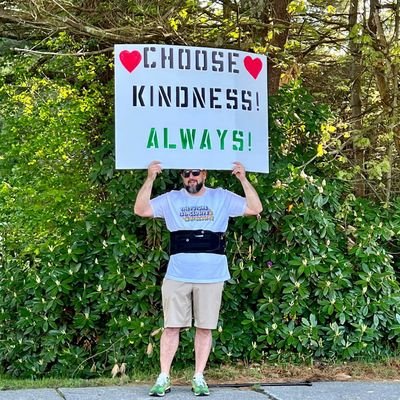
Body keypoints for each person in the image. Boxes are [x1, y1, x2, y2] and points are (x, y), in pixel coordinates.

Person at [134, 160, 262, 397]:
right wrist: (150, 178)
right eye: (186, 174)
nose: (190, 177)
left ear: (204, 173)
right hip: (178, 273)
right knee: (171, 326)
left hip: (212, 274)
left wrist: (243, 179)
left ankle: (199, 377)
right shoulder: (171, 199)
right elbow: (141, 210)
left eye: (195, 172)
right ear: (182, 176)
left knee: (204, 327)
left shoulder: (221, 197)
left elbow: (255, 208)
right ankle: (163, 377)